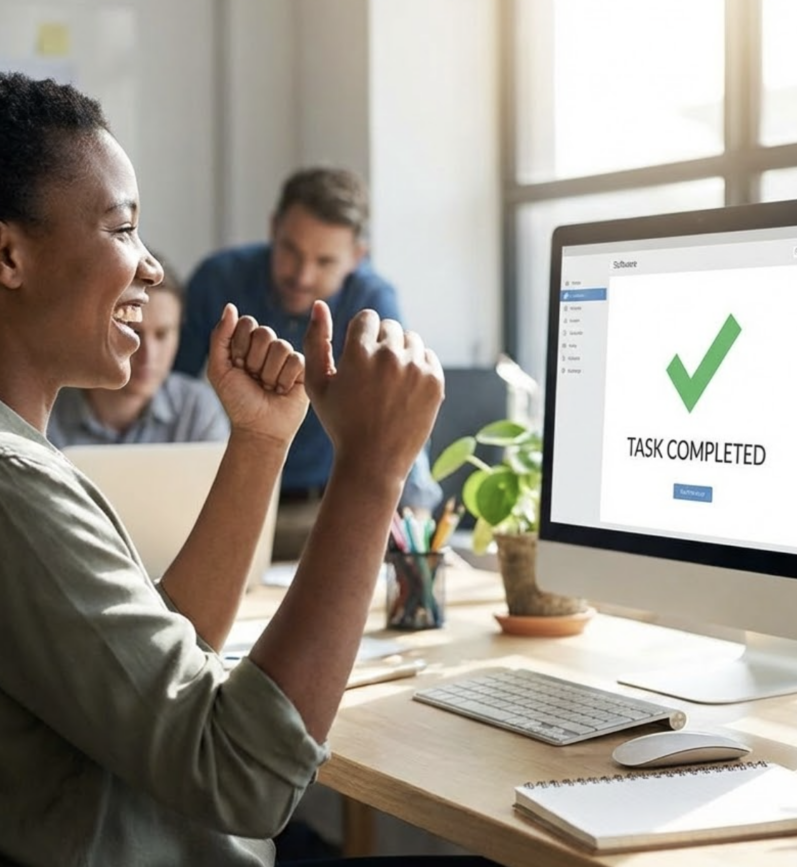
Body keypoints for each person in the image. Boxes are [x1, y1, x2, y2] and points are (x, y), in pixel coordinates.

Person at [0, 72, 492, 866]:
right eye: (123, 229)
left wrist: (260, 441)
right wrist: (372, 470)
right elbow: (244, 775)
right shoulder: (15, 486)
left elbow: (159, 659)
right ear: (8, 254)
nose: (151, 269)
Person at [174, 167, 442, 558]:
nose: (302, 275)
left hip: (326, 511)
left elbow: (399, 407)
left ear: (357, 257)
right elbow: (167, 388)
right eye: (290, 251)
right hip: (227, 501)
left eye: (325, 261)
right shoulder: (218, 280)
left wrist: (416, 508)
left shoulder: (373, 300)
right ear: (273, 228)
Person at [47, 255, 230, 446]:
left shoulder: (197, 410)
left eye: (162, 335)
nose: (148, 355)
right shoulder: (46, 411)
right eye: (133, 331)